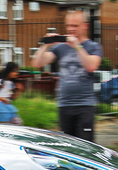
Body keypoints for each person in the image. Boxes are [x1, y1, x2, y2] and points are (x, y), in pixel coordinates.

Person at [31, 10, 103, 141]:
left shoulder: (93, 46)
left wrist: (76, 45)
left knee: (85, 146)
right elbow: (37, 63)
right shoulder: (60, 48)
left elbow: (91, 66)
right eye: (68, 26)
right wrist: (45, 45)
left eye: (75, 26)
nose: (70, 29)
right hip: (64, 104)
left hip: (84, 105)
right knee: (67, 146)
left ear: (85, 26)